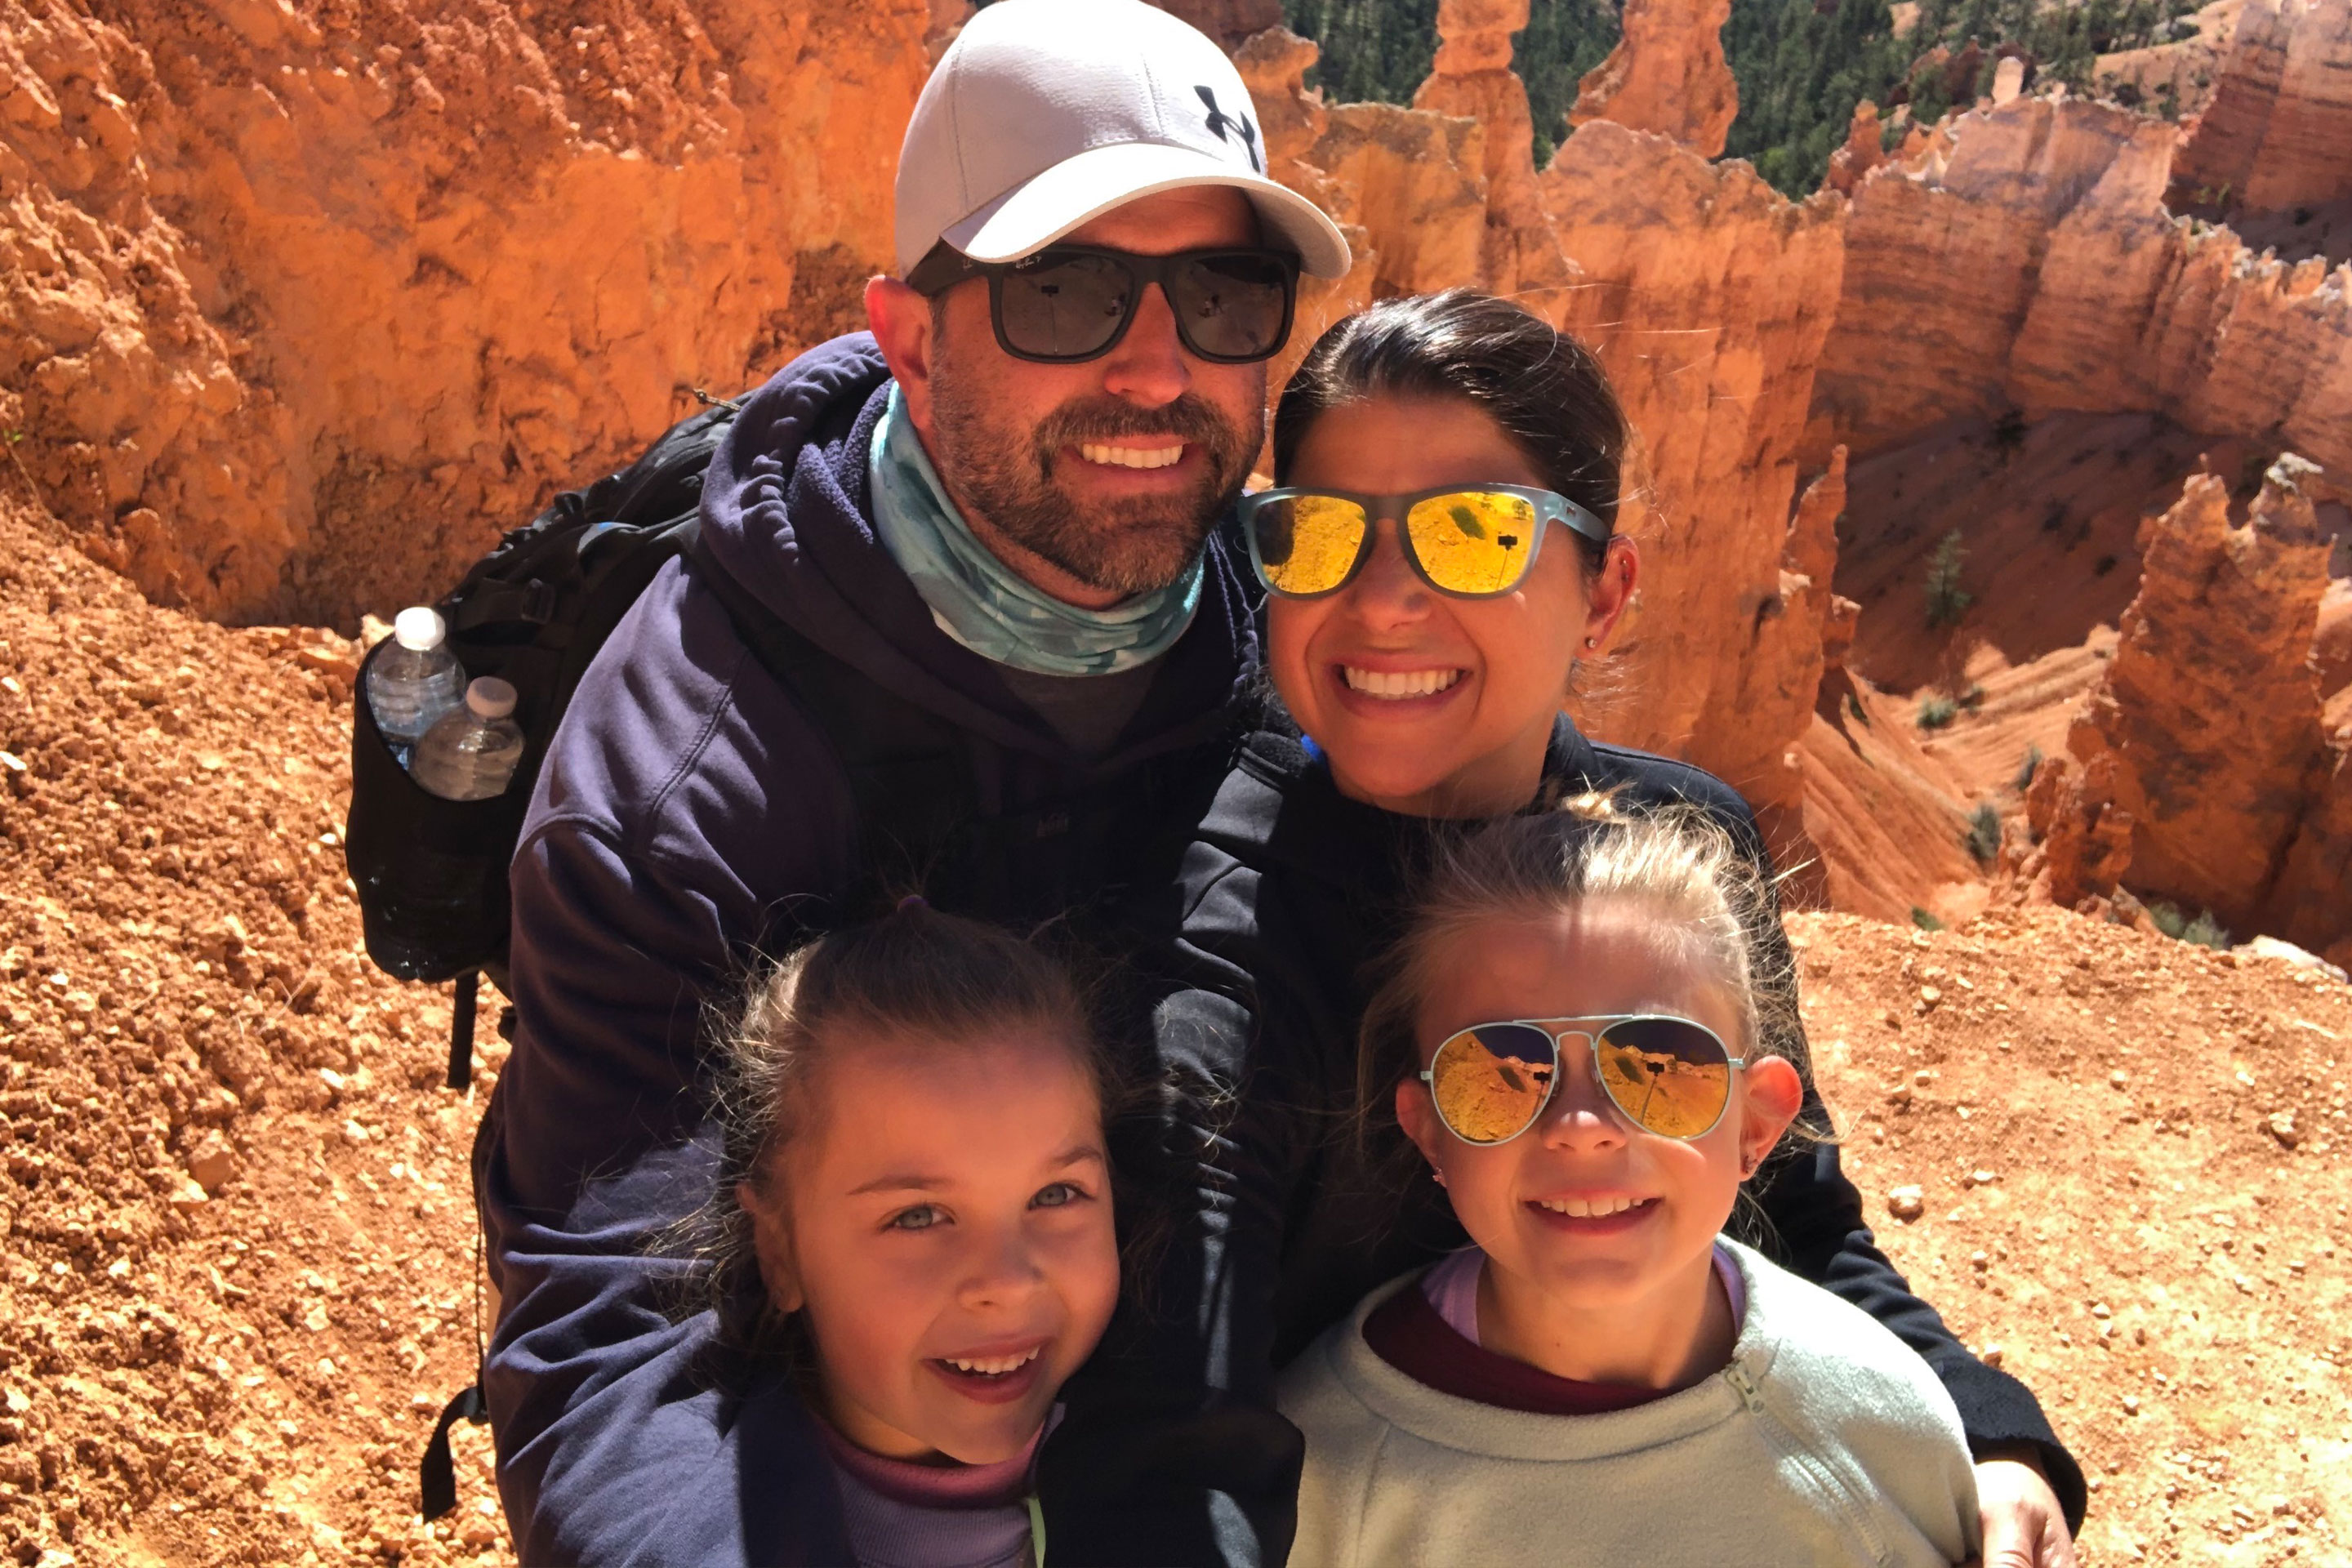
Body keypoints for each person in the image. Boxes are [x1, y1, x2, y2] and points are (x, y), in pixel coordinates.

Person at [474, 2, 1350, 1561]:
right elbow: (617, 1329)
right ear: (907, 334)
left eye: (1228, 292)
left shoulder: (1281, 619)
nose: (1161, 373)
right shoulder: (683, 786)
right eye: (1067, 292)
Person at [1118, 290, 2085, 1565]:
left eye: (1476, 533)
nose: (1385, 600)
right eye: (1317, 535)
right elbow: (1175, 1418)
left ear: (1607, 588)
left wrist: (1989, 1429)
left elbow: (1791, 1202)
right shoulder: (1207, 907)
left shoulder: (1677, 848)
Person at [1280, 803, 1983, 1566]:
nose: (1581, 1126)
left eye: (1660, 1063)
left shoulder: (1878, 1419)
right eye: (1499, 1073)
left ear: (1755, 1126)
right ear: (1430, 1132)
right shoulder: (1319, 1475)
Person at [687, 902, 1120, 1568]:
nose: (1007, 1282)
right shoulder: (722, 1527)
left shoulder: (1162, 1459)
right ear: (780, 1253)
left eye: (1056, 1195)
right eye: (918, 1216)